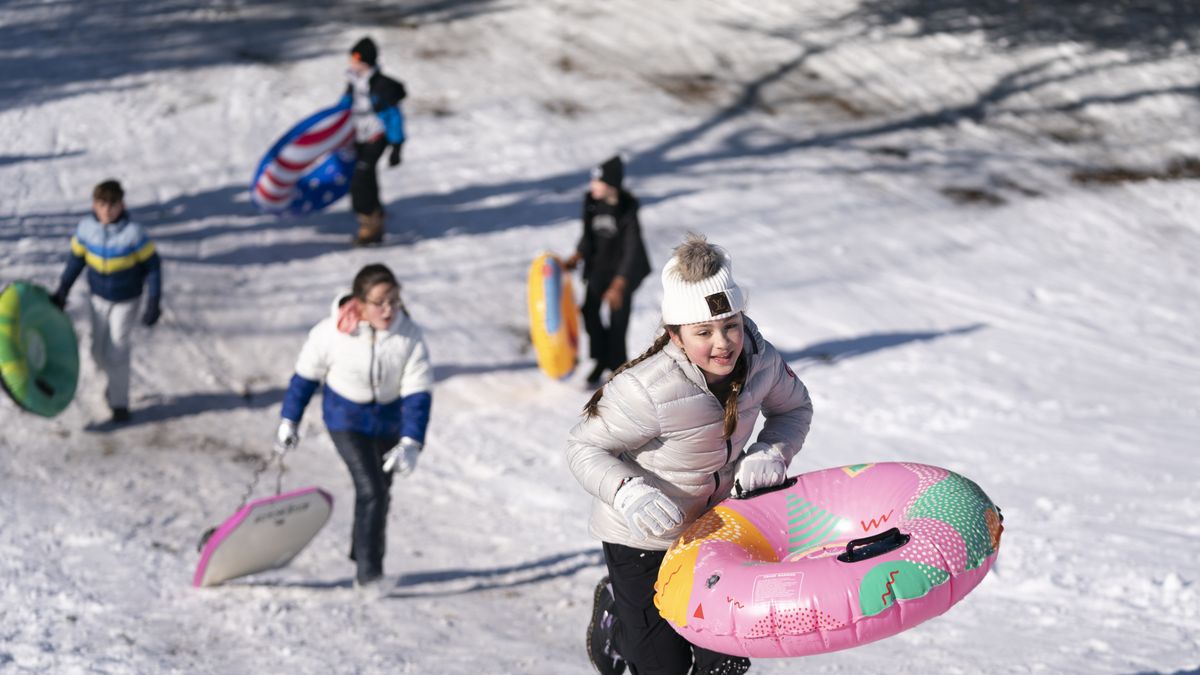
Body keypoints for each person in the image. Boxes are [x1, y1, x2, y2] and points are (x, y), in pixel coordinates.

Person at [566, 234, 813, 675]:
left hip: (715, 528)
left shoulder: (760, 360)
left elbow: (793, 408)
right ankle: (616, 620)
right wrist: (629, 493)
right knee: (662, 666)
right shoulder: (648, 388)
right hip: (643, 537)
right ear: (676, 335)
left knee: (727, 657)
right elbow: (584, 446)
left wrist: (769, 453)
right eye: (704, 332)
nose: (723, 343)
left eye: (731, 325)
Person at [275, 263, 433, 587]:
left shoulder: (408, 335)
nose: (389, 309)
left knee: (380, 494)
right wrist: (289, 419)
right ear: (359, 303)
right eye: (380, 302)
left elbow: (418, 392)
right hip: (345, 419)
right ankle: (369, 575)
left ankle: (361, 553)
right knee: (371, 489)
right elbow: (304, 378)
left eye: (394, 300)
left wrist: (411, 441)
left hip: (388, 423)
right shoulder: (331, 333)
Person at [51, 179, 162, 424]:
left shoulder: (134, 233)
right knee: (97, 352)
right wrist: (63, 290)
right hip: (98, 298)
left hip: (126, 300)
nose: (108, 210)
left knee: (117, 350)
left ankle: (119, 403)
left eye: (113, 205)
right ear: (94, 205)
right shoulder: (86, 229)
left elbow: (153, 267)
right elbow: (76, 261)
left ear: (122, 205)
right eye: (102, 205)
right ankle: (112, 384)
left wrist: (153, 301)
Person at [564, 155, 651, 386]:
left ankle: (618, 366)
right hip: (598, 268)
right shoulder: (592, 203)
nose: (592, 186)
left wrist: (619, 284)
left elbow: (632, 249)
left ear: (610, 184)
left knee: (617, 319)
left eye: (597, 182)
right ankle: (601, 358)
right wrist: (578, 254)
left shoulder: (626, 209)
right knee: (590, 313)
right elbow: (588, 235)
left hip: (623, 271)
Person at [343, 36, 407, 246]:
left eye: (356, 60)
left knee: (360, 179)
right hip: (357, 137)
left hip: (376, 137)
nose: (352, 64)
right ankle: (376, 210)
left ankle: (370, 225)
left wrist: (396, 146)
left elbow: (395, 117)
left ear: (366, 62)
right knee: (366, 176)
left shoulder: (381, 86)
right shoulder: (353, 82)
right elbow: (342, 108)